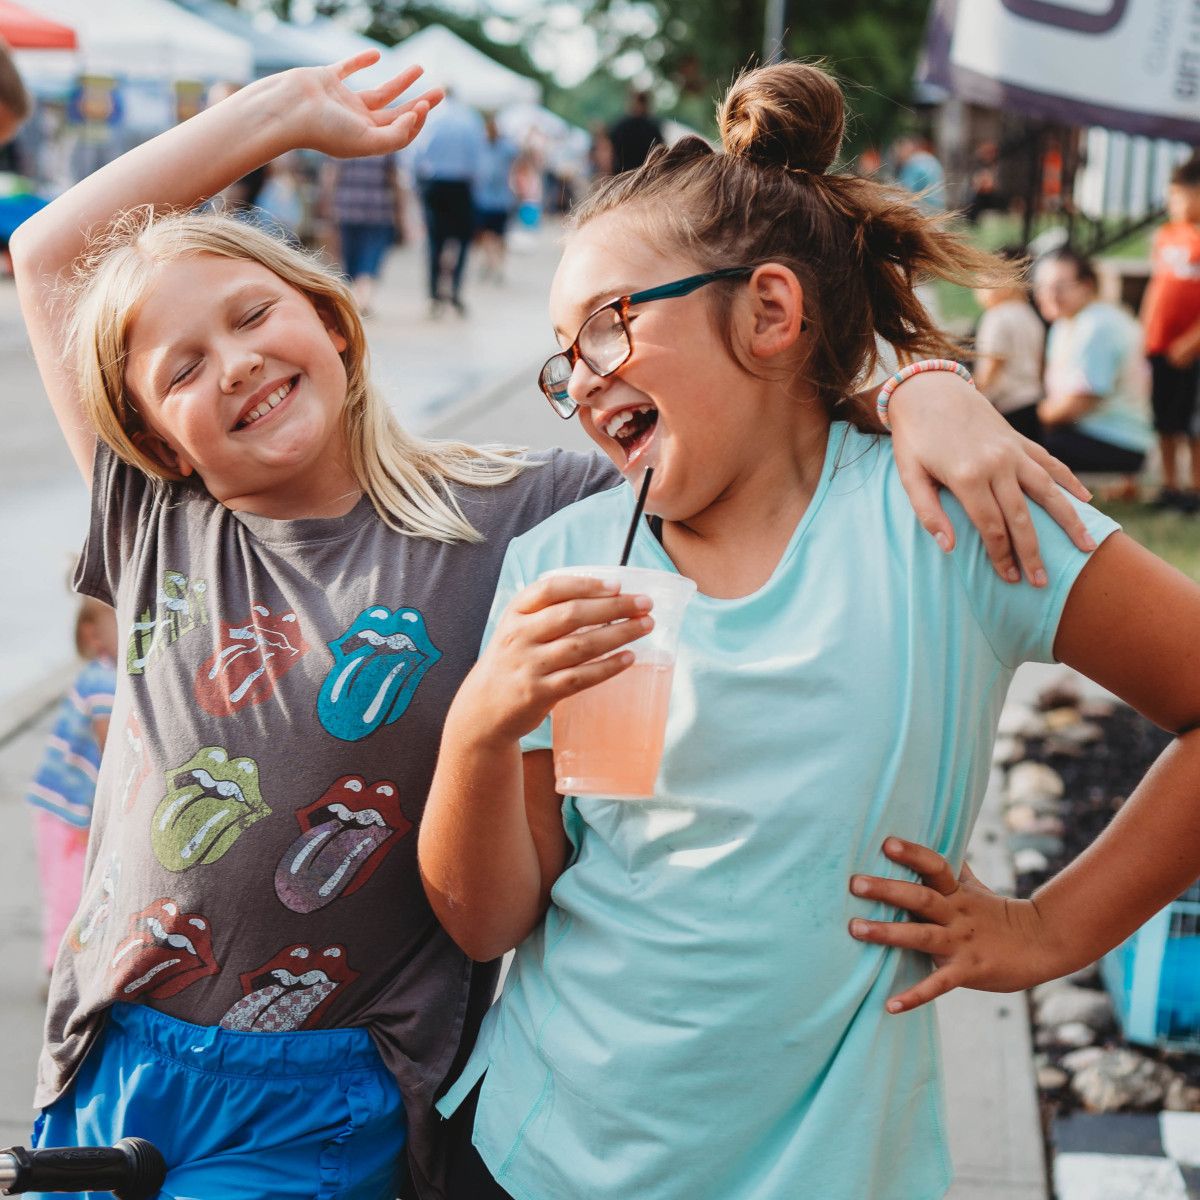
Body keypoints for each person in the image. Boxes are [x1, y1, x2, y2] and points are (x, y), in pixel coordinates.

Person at [12, 50, 1095, 1200]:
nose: (233, 365)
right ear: (159, 440)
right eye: (183, 368)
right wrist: (278, 113)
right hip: (112, 1052)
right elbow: (43, 256)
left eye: (252, 315)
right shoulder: (159, 524)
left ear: (335, 322)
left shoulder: (517, 512)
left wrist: (916, 383)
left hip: (332, 1080)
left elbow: (735, 410)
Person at [418, 61, 1200, 1200]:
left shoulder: (950, 514)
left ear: (771, 310)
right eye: (561, 359)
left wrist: (1048, 931)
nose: (580, 384)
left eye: (605, 328)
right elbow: (492, 922)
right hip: (536, 1157)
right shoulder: (564, 563)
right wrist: (479, 734)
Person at [26, 596, 117, 985]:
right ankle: (58, 971)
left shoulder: (109, 673)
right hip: (68, 810)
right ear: (92, 634)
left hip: (67, 805)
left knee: (73, 888)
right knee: (67, 892)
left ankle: (65, 966)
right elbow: (109, 749)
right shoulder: (103, 679)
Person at [1034, 248, 1153, 490]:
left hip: (1116, 441)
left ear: (1087, 286)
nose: (1049, 295)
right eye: (1042, 287)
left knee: (1019, 443)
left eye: (1060, 287)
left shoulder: (1096, 326)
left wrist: (1025, 419)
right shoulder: (1068, 323)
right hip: (1093, 435)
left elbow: (1078, 404)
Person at [1140, 154, 1200, 512]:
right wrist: (1146, 330)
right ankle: (1169, 486)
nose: (1171, 204)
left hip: (1191, 350)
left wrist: (1192, 341)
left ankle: (1196, 488)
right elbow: (1156, 285)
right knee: (1164, 419)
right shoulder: (1165, 235)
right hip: (1161, 344)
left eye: (1179, 196)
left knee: (1192, 422)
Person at [410, 89, 487, 317]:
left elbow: (415, 154)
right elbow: (478, 159)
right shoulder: (470, 118)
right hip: (461, 186)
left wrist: (418, 187)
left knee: (434, 241)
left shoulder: (432, 118)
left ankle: (433, 294)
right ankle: (454, 291)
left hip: (434, 184)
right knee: (462, 241)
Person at [973, 246, 1046, 441]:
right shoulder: (1031, 316)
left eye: (981, 284)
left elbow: (992, 367)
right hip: (1031, 402)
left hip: (1007, 407)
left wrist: (973, 397)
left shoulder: (997, 317)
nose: (978, 293)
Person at [323, 150, 405, 316]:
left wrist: (327, 204)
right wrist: (400, 214)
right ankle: (364, 300)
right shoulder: (386, 146)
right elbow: (394, 179)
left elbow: (331, 176)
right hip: (377, 210)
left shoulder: (342, 142)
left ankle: (357, 300)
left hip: (347, 208)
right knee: (370, 258)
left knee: (350, 258)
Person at [473, 115, 519, 284]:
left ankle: (495, 264)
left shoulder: (503, 147)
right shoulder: (483, 145)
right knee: (489, 236)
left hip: (498, 200)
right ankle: (493, 263)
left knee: (495, 236)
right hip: (487, 199)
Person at [608, 89, 665, 175]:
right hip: (646, 176)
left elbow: (610, 153)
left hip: (621, 177)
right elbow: (660, 152)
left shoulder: (619, 126)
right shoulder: (653, 127)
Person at [892, 133, 946, 215]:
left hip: (924, 209)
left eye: (898, 152)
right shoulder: (931, 159)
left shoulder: (911, 163)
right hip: (939, 207)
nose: (897, 157)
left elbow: (904, 192)